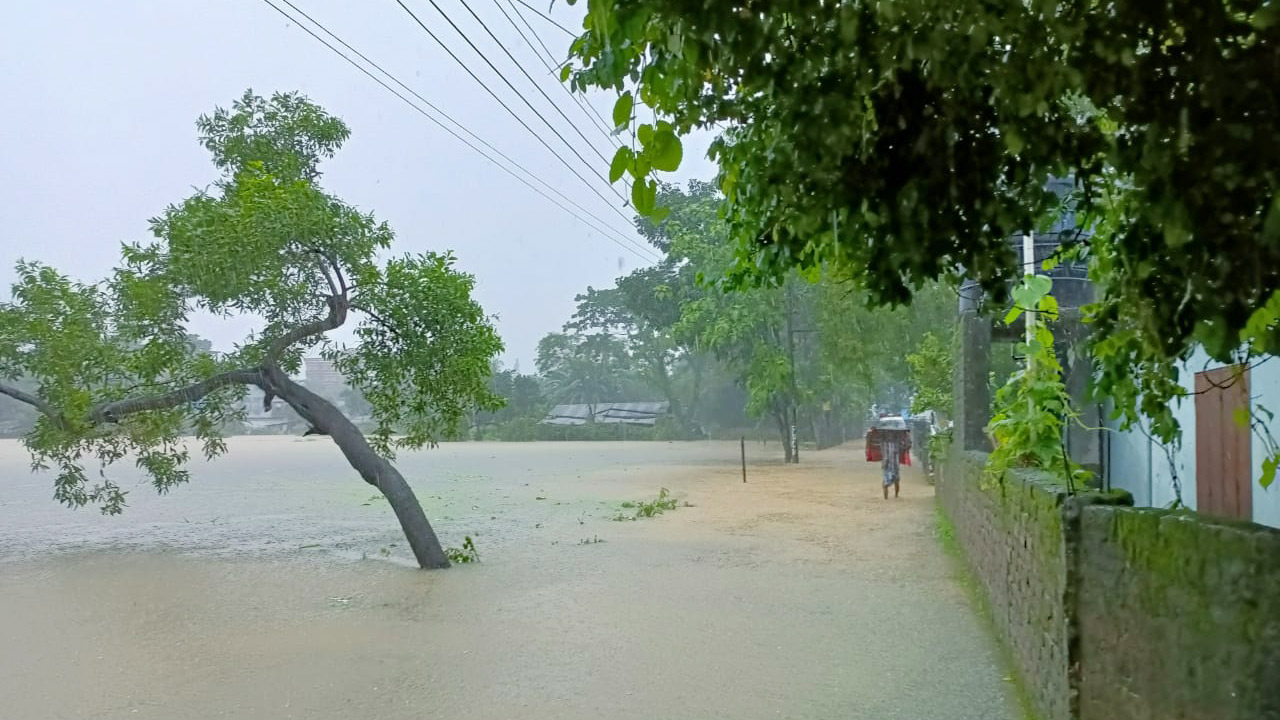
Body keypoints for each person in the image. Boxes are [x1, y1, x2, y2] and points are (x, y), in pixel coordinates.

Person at [880, 430, 902, 499]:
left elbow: (904, 447)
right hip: (887, 464)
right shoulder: (883, 442)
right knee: (885, 482)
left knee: (896, 481)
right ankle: (886, 498)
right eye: (888, 433)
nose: (890, 435)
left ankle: (896, 495)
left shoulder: (897, 442)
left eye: (891, 433)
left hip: (895, 464)